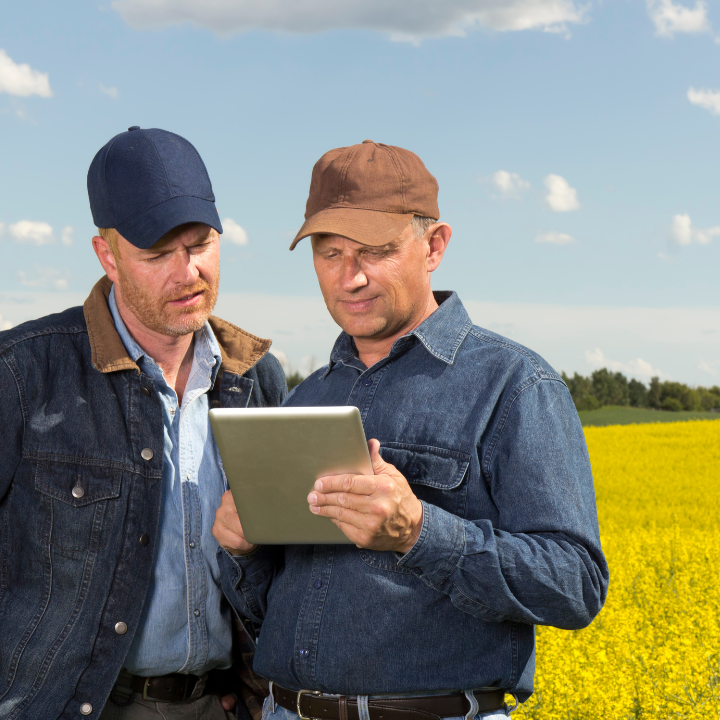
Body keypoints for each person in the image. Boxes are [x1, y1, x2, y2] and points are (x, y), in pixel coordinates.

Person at [212, 140, 609, 719]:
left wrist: (420, 531)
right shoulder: (306, 398)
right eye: (329, 254)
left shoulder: (514, 385)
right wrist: (241, 550)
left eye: (375, 251)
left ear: (434, 246)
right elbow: (271, 605)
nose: (350, 278)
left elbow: (575, 584)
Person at [0, 127, 285, 720]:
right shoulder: (22, 374)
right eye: (158, 255)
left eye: (201, 245)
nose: (188, 273)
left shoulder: (258, 380)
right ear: (107, 256)